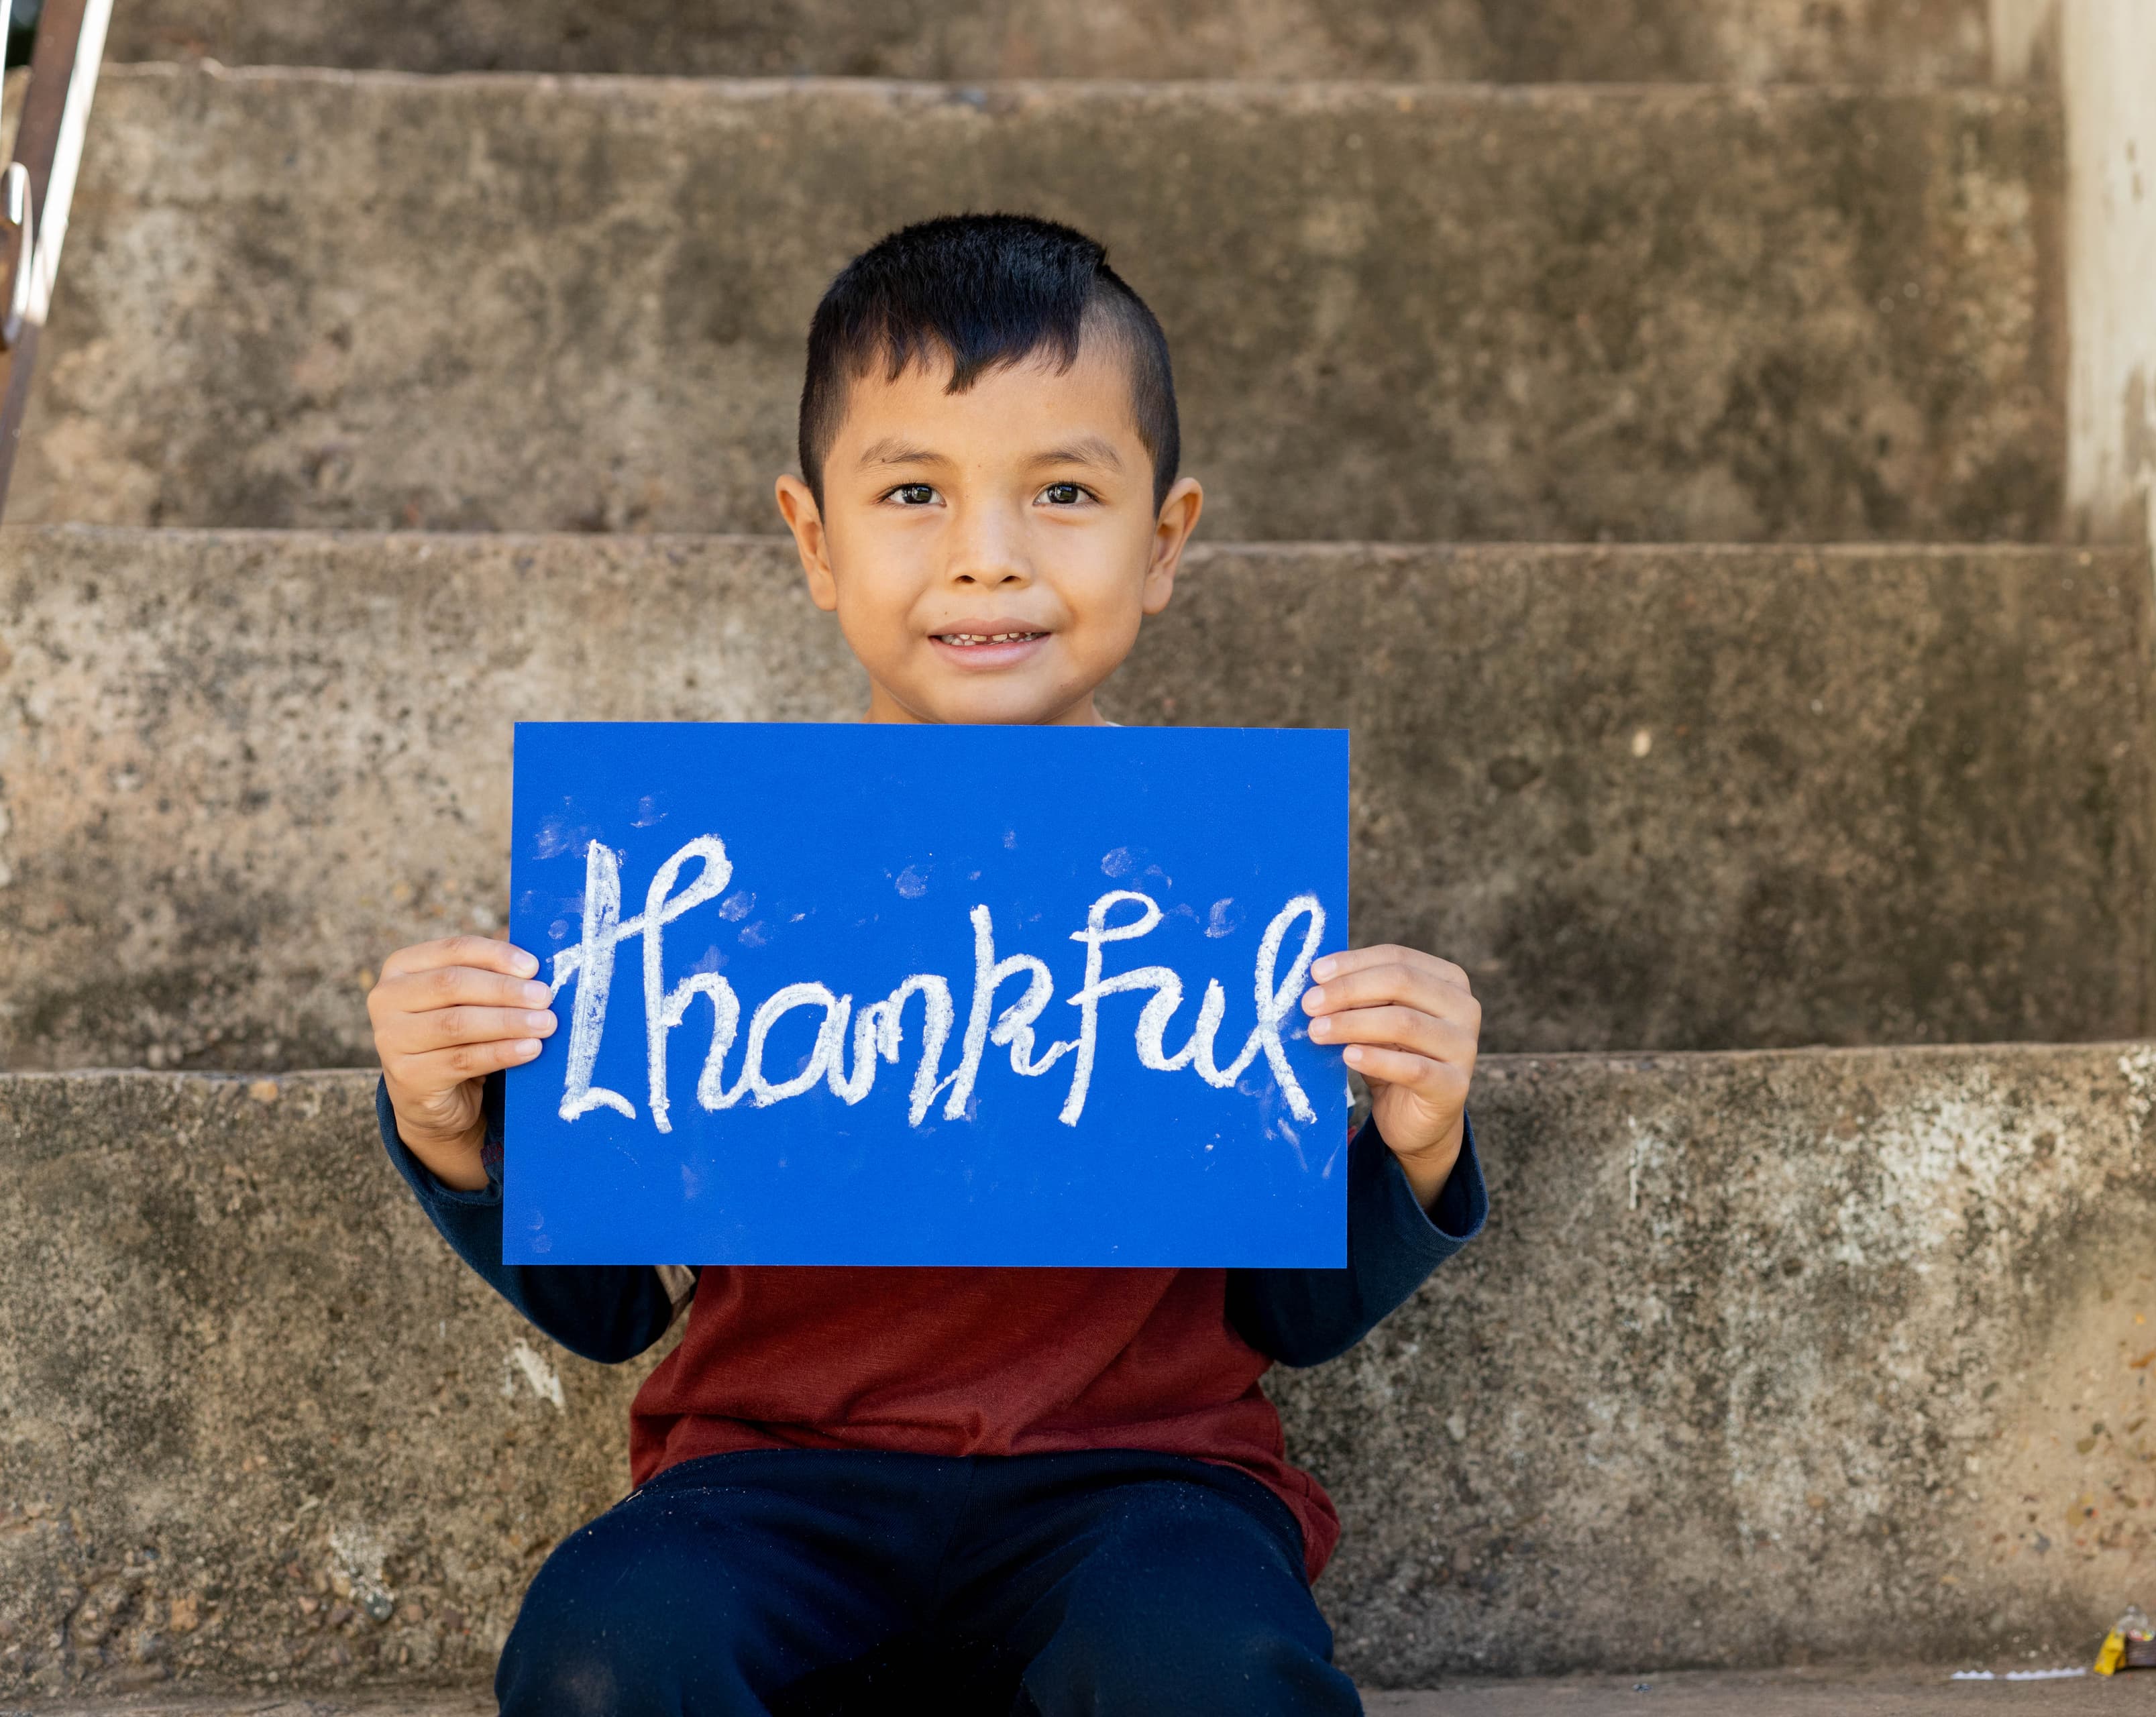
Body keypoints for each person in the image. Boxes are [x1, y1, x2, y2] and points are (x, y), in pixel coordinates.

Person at [364, 213, 1487, 1716]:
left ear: (1164, 543)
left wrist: (1414, 1144)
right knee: (601, 1650)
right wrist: (457, 1128)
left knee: (1209, 1665)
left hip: (1139, 1485)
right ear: (815, 540)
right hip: (770, 1480)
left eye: (1066, 492)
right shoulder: (708, 884)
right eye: (913, 490)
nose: (988, 556)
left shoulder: (1219, 882)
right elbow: (613, 1303)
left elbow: (1289, 1310)